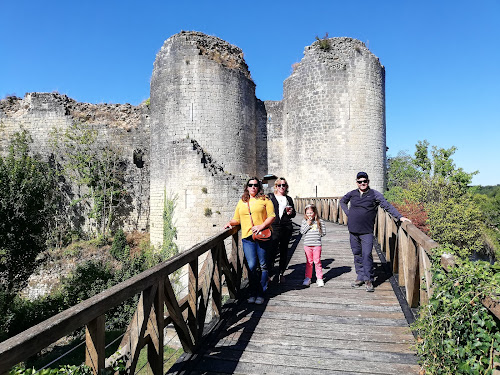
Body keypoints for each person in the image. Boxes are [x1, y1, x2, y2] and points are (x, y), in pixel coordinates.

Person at [340, 172, 411, 292]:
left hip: (366, 231)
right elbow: (342, 201)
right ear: (356, 182)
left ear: (368, 181)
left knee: (367, 254)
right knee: (357, 253)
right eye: (360, 181)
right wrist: (348, 213)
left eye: (365, 181)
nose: (362, 183)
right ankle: (360, 276)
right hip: (353, 230)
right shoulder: (352, 193)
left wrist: (400, 217)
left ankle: (369, 279)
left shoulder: (374, 194)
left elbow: (386, 206)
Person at [224, 177, 275, 305]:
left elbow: (272, 216)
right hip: (247, 237)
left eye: (256, 185)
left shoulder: (265, 200)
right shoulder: (242, 201)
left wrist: (261, 226)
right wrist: (230, 223)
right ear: (247, 187)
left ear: (259, 187)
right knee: (251, 266)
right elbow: (237, 219)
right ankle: (253, 292)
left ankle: (261, 293)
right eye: (251, 185)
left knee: (263, 265)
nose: (253, 187)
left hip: (261, 235)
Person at [267, 177, 296, 283]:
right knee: (272, 251)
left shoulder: (289, 199)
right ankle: (269, 274)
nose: (281, 187)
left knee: (284, 252)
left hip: (286, 227)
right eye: (279, 185)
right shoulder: (270, 197)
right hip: (274, 227)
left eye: (283, 185)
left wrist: (291, 213)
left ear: (286, 187)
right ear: (276, 186)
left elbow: (294, 214)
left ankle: (281, 273)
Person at [300, 204, 326, 287]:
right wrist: (308, 224)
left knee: (317, 261)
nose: (309, 215)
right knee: (309, 262)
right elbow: (302, 231)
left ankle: (319, 278)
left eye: (311, 213)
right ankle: (308, 278)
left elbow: (323, 232)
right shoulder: (304, 221)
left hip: (317, 244)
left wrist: (317, 235)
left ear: (314, 213)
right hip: (307, 244)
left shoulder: (320, 221)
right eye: (307, 213)